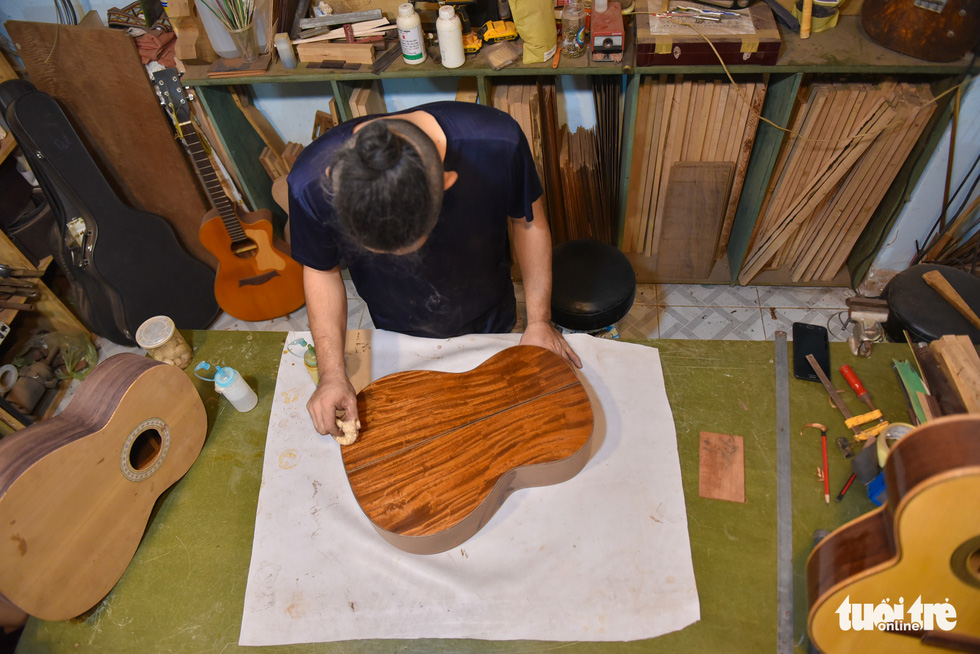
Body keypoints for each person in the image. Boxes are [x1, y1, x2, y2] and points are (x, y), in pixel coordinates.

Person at [287, 101, 581, 440]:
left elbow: (527, 224)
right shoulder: (309, 186)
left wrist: (540, 321)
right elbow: (322, 272)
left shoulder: (497, 143)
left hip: (488, 307)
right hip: (397, 323)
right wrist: (332, 374)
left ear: (446, 181)